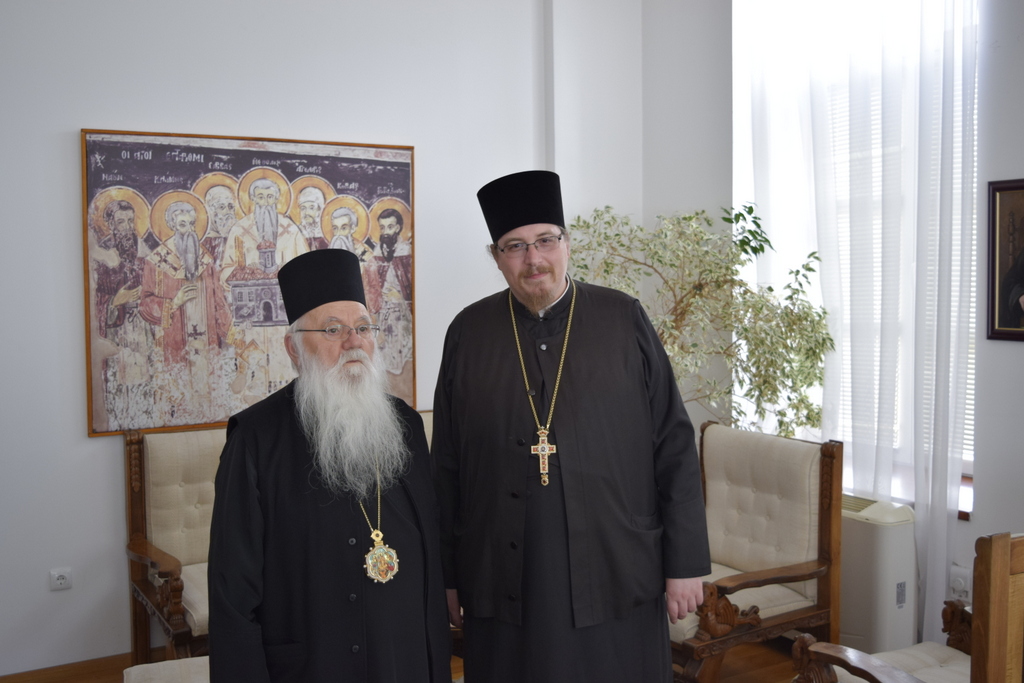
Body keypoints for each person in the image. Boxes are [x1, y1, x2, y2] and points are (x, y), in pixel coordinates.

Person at [431, 170, 711, 683]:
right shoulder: (468, 332)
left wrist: (685, 562)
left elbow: (673, 444)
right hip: (500, 575)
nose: (533, 259)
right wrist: (447, 576)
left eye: (545, 241)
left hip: (617, 565)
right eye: (515, 246)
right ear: (496, 257)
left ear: (566, 243)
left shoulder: (623, 318)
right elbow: (445, 466)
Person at [208, 248, 451, 682]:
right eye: (333, 329)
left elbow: (430, 554)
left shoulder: (407, 425)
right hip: (312, 665)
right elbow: (233, 594)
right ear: (294, 348)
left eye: (363, 327)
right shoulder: (254, 439)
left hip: (404, 660)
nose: (353, 341)